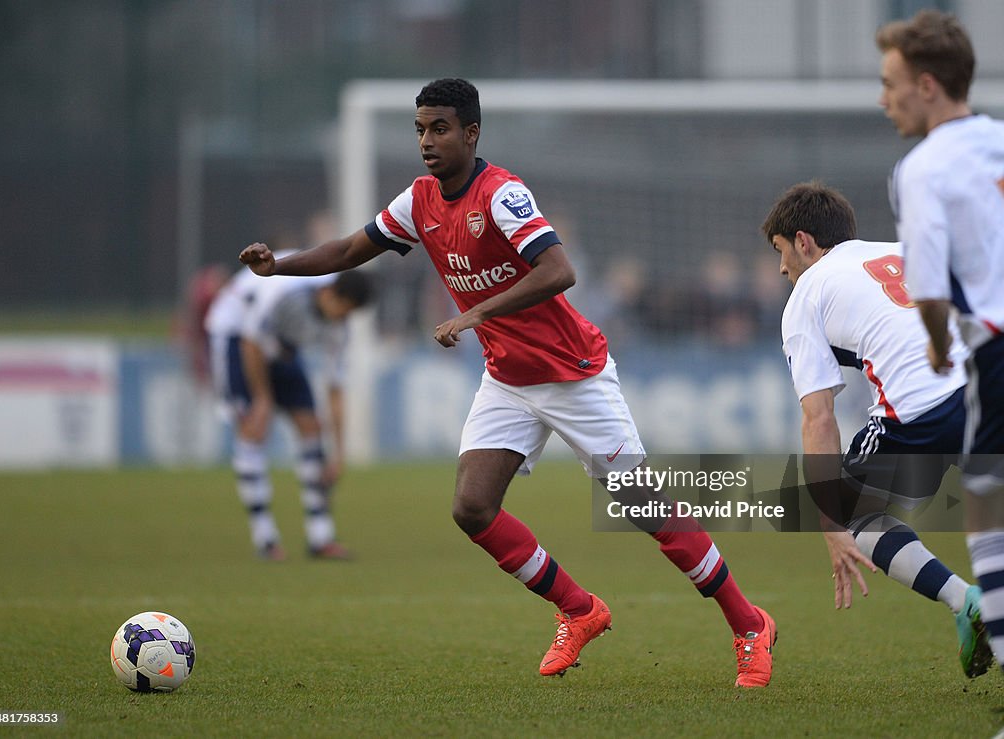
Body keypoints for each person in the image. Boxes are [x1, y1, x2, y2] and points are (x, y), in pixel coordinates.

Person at [239, 78, 776, 686]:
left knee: (642, 505)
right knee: (471, 507)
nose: (427, 141)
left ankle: (749, 623)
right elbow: (348, 250)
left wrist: (476, 312)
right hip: (509, 379)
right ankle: (579, 609)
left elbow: (559, 270)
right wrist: (278, 265)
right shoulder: (419, 201)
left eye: (439, 128)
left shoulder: (503, 194)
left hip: (573, 373)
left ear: (471, 133)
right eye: (420, 129)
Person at [761, 180, 992, 677]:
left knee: (857, 517)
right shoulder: (903, 250)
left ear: (804, 242)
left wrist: (829, 523)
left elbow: (818, 417)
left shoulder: (808, 294)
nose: (782, 268)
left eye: (781, 252)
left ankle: (965, 601)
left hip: (919, 415)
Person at [877, 9, 1004, 669]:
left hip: (995, 350)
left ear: (927, 85)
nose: (883, 97)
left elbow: (927, 289)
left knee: (986, 513)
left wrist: (936, 344)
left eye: (890, 81)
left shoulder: (922, 167)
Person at [204, 258, 372, 560]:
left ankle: (321, 537)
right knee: (254, 428)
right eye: (343, 311)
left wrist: (340, 453)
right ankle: (265, 539)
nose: (341, 320)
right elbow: (250, 341)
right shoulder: (287, 292)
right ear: (330, 294)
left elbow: (335, 390)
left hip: (280, 345)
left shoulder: (339, 324)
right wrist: (263, 398)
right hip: (234, 336)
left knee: (311, 427)